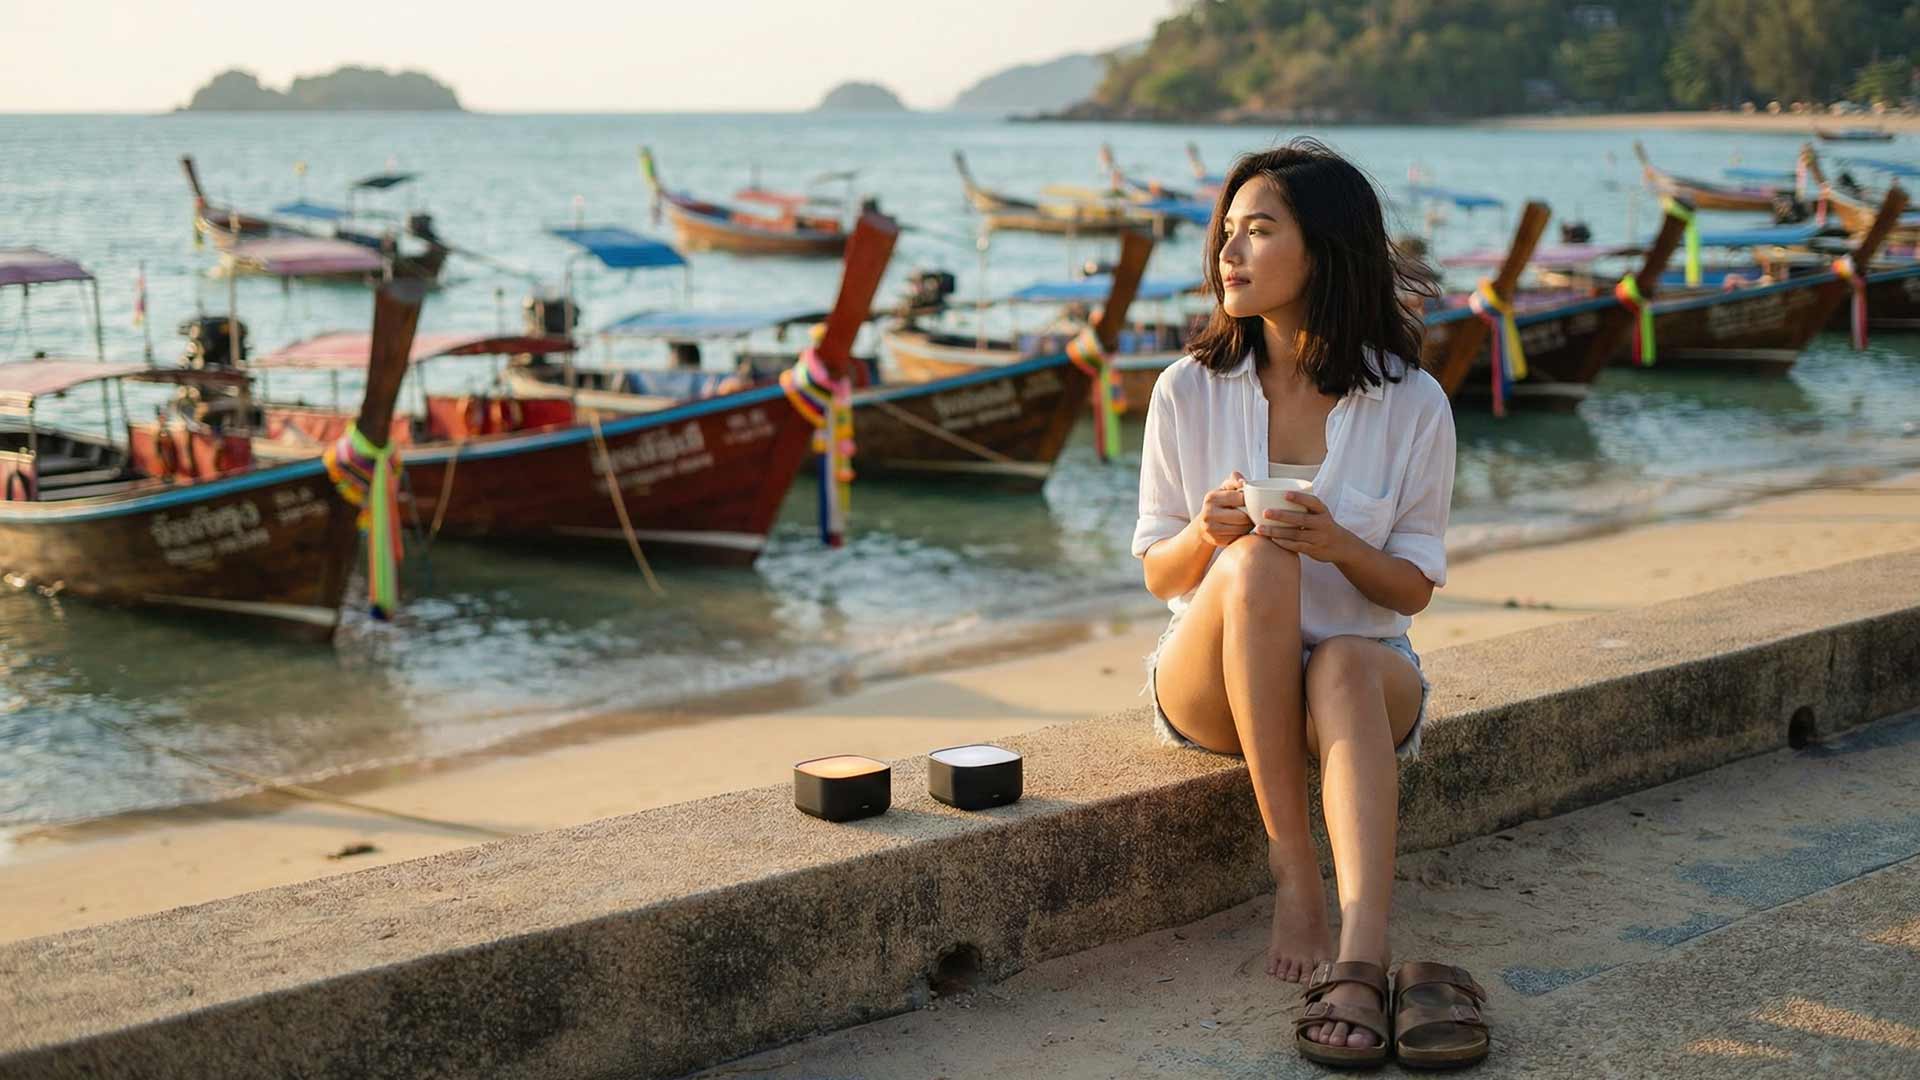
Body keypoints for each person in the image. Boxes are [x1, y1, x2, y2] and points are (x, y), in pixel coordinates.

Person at [1132, 139, 1487, 1068]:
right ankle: (1296, 877)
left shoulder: (1413, 404)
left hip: (1363, 683)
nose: (1229, 254)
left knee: (1337, 662)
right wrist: (1206, 536)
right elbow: (1160, 578)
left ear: (1323, 251)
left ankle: (1363, 957)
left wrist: (1337, 544)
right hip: (1212, 684)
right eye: (1226, 234)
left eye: (1258, 231)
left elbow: (1413, 590)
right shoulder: (1186, 390)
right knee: (1250, 565)